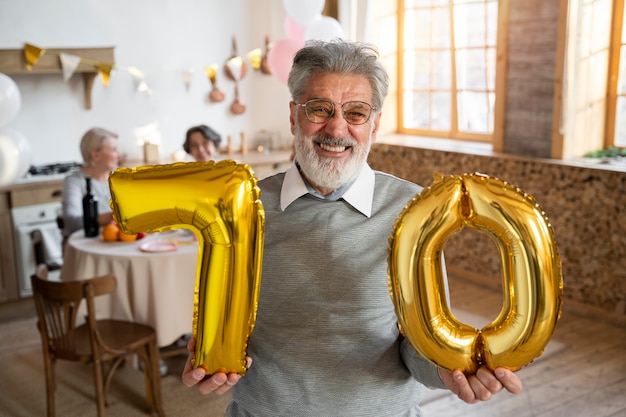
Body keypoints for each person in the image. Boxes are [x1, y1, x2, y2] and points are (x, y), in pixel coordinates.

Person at [182, 39, 522, 416]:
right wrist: (208, 358)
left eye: (356, 112)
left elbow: (417, 347)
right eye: (319, 109)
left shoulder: (414, 212)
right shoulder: (243, 211)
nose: (336, 128)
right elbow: (224, 331)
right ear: (294, 115)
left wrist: (448, 369)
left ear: (374, 123)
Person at [61, 127, 120, 242]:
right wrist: (114, 216)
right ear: (95, 155)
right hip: (88, 247)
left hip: (115, 243)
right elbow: (71, 222)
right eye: (114, 150)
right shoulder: (75, 182)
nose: (119, 155)